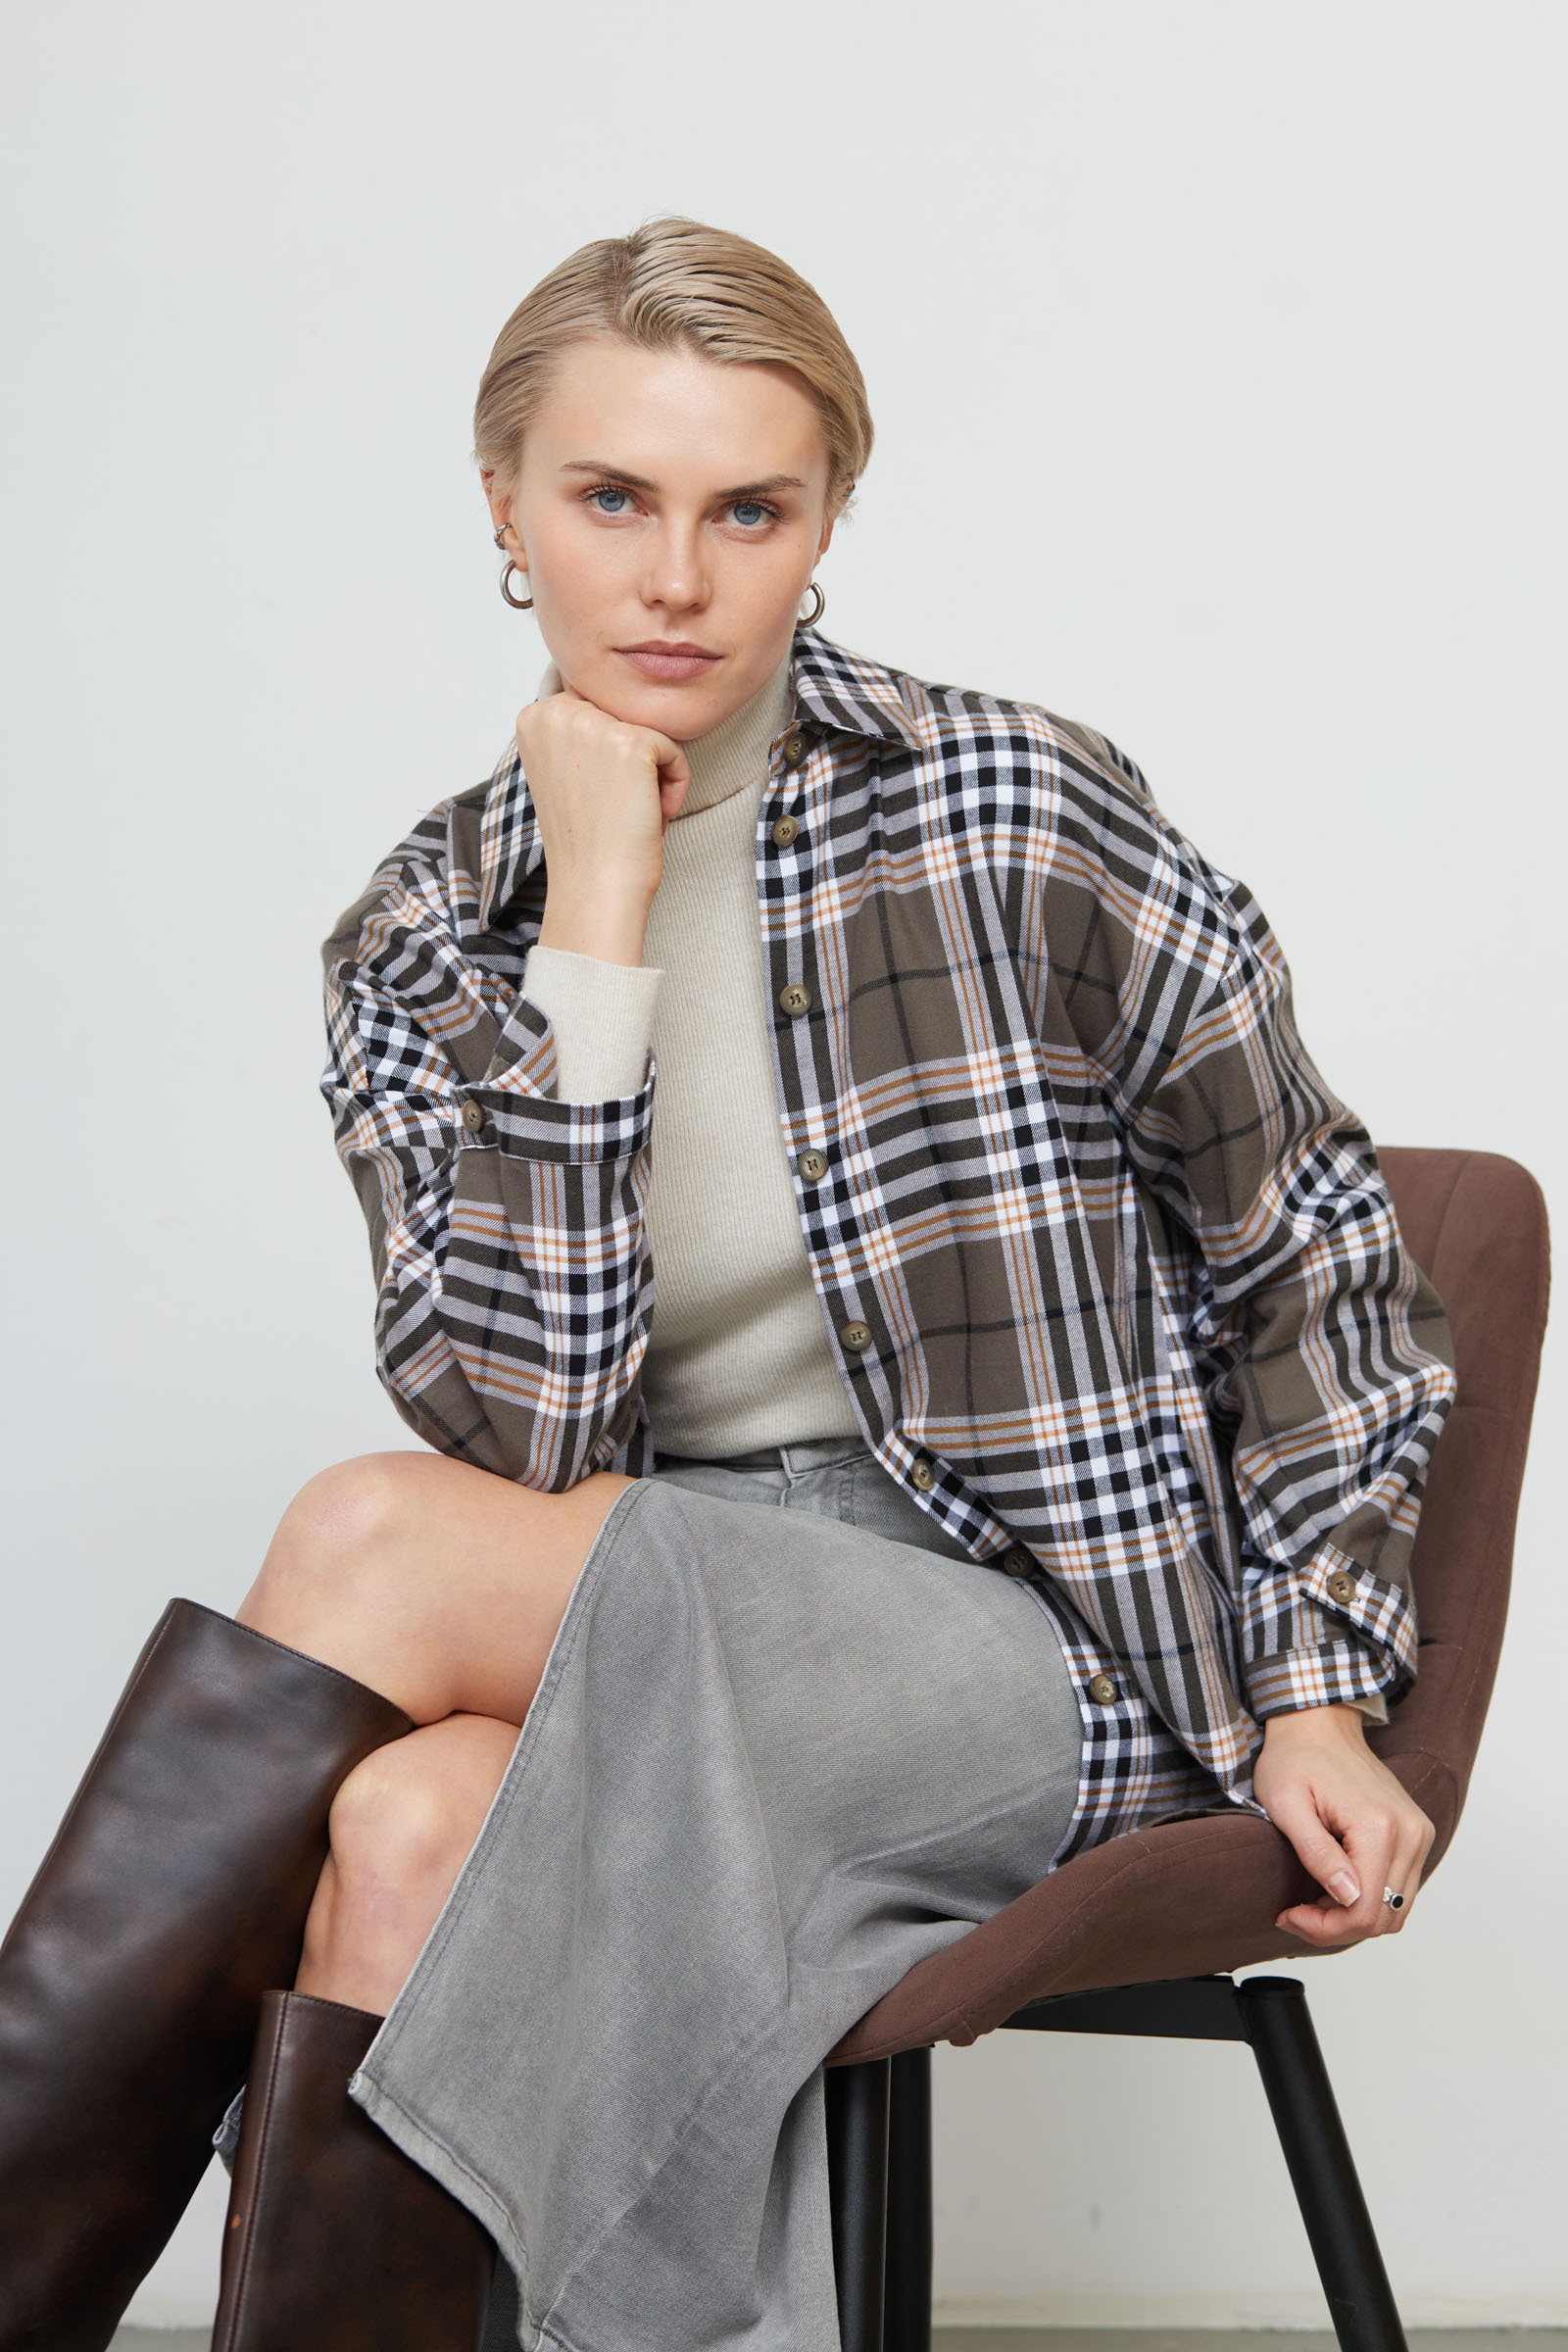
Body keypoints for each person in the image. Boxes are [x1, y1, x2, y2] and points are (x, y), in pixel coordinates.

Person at [0, 218, 1456, 2352]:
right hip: (645, 1591)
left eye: (745, 510)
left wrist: (1315, 1676)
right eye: (611, 498)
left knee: (365, 1536)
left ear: (824, 522)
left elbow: (1315, 1248)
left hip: (1035, 1638)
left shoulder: (1012, 809)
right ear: (504, 509)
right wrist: (595, 915)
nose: (673, 578)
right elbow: (525, 1435)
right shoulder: (425, 932)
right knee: (405, 1821)